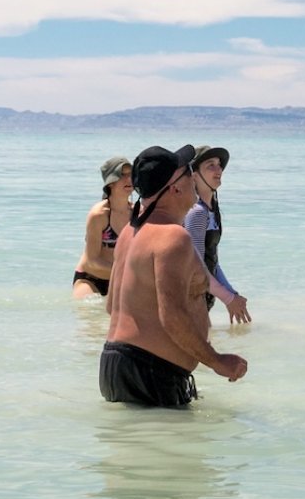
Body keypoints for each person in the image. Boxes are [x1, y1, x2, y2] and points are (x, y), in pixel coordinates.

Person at [101, 146, 246, 407]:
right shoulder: (173, 236)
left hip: (115, 367)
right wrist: (217, 361)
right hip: (151, 373)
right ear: (175, 188)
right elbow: (172, 316)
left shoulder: (128, 235)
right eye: (188, 172)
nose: (193, 177)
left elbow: (111, 306)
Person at [182, 144, 251, 324]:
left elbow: (212, 260)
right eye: (210, 165)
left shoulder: (212, 210)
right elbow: (195, 266)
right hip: (188, 301)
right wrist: (228, 298)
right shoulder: (196, 212)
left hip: (202, 298)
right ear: (194, 175)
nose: (218, 169)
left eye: (219, 164)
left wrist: (231, 294)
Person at [73, 155, 133, 297]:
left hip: (120, 280)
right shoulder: (99, 215)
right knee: (91, 312)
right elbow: (91, 261)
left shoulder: (137, 212)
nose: (129, 179)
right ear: (110, 183)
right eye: (122, 175)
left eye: (131, 174)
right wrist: (125, 271)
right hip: (91, 280)